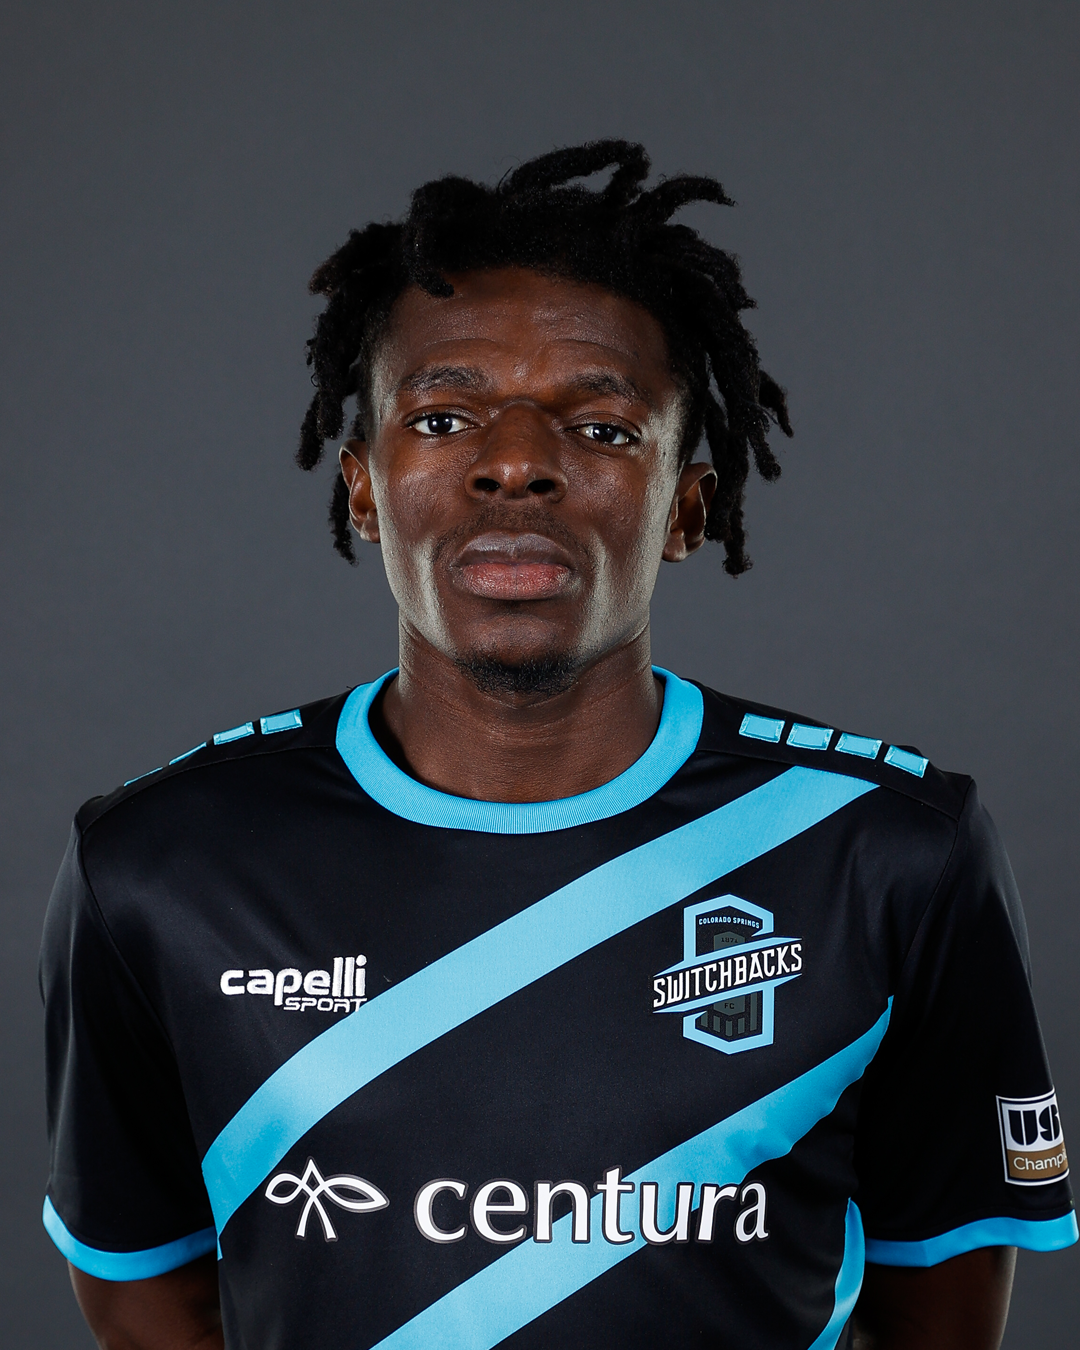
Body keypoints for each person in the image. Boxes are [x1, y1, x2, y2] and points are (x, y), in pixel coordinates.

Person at [40, 141, 1074, 1350]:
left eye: (602, 427)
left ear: (687, 508)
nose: (518, 463)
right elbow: (141, 1282)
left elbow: (939, 1303)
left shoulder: (889, 853)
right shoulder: (160, 865)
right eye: (444, 417)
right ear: (364, 490)